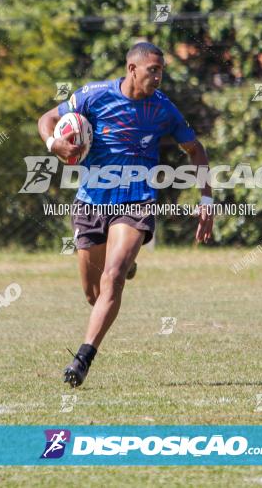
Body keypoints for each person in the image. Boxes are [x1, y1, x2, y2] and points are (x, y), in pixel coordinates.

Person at [36, 42, 214, 387]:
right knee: (93, 293)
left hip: (137, 199)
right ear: (132, 69)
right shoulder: (94, 95)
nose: (159, 77)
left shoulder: (163, 109)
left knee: (113, 277)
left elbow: (196, 149)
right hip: (91, 200)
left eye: (162, 70)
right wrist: (53, 144)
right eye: (153, 70)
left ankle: (82, 358)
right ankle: (124, 263)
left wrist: (206, 201)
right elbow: (48, 119)